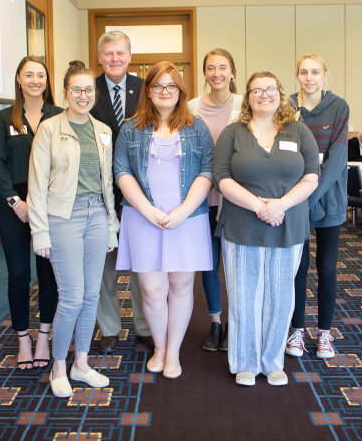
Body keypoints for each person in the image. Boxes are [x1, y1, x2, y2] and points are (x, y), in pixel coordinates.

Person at [213, 71, 319, 386]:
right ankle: (245, 361)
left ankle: (272, 361)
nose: (264, 94)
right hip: (242, 224)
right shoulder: (233, 133)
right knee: (244, 296)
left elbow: (311, 176)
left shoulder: (299, 131)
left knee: (281, 295)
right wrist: (261, 207)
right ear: (247, 96)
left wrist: (280, 205)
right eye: (257, 90)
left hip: (288, 223)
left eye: (270, 88)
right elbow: (222, 178)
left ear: (280, 93)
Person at [114, 61, 214, 379]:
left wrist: (183, 211)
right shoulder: (130, 128)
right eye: (158, 86)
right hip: (143, 217)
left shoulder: (197, 127)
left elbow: (206, 171)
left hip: (188, 217)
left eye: (171, 86)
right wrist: (148, 210)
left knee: (181, 284)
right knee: (152, 289)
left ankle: (173, 353)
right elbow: (122, 172)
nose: (165, 92)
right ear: (148, 91)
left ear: (181, 91)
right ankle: (159, 347)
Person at [27, 61, 119, 397]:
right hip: (63, 217)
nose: (83, 95)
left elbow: (106, 181)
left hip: (97, 215)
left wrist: (111, 225)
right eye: (76, 90)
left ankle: (82, 364)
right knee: (71, 298)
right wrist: (40, 231)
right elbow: (36, 185)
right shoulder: (49, 129)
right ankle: (59, 366)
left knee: (92, 295)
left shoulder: (103, 130)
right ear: (65, 93)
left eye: (88, 90)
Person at [0, 56, 61, 371]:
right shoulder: (5, 119)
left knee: (48, 274)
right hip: (13, 206)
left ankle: (44, 334)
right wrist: (15, 202)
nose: (35, 80)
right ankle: (23, 338)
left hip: (50, 205)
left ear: (47, 80)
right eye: (28, 74)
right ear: (18, 79)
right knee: (19, 275)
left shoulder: (59, 116)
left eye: (40, 75)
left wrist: (41, 202)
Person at [89, 31, 152, 352]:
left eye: (120, 53)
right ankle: (110, 327)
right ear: (100, 57)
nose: (114, 58)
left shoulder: (145, 89)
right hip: (99, 192)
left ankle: (144, 325)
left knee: (142, 264)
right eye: (108, 53)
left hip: (139, 192)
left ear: (130, 56)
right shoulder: (89, 89)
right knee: (105, 267)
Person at [287, 53, 349, 360]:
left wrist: (311, 194)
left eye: (315, 72)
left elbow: (338, 157)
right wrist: (299, 195)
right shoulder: (287, 105)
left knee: (327, 269)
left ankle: (325, 334)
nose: (309, 77)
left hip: (329, 194)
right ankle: (296, 331)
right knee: (298, 269)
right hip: (295, 196)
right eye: (303, 72)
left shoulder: (339, 106)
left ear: (325, 75)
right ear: (297, 76)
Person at [187, 48, 243, 351]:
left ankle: (236, 322)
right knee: (208, 263)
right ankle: (216, 322)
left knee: (234, 263)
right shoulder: (192, 106)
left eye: (223, 67)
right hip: (202, 197)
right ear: (205, 73)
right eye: (211, 68)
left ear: (233, 72)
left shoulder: (245, 105)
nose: (217, 73)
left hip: (236, 199)